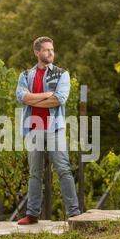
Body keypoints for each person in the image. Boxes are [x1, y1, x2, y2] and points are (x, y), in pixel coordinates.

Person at [15, 36, 81, 225]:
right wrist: (44, 95)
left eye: (52, 49)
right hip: (33, 129)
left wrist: (33, 98)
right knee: (35, 173)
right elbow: (22, 98)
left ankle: (74, 213)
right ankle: (32, 214)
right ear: (37, 53)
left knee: (63, 169)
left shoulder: (62, 74)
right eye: (46, 50)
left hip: (55, 129)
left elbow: (58, 99)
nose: (51, 53)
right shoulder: (26, 75)